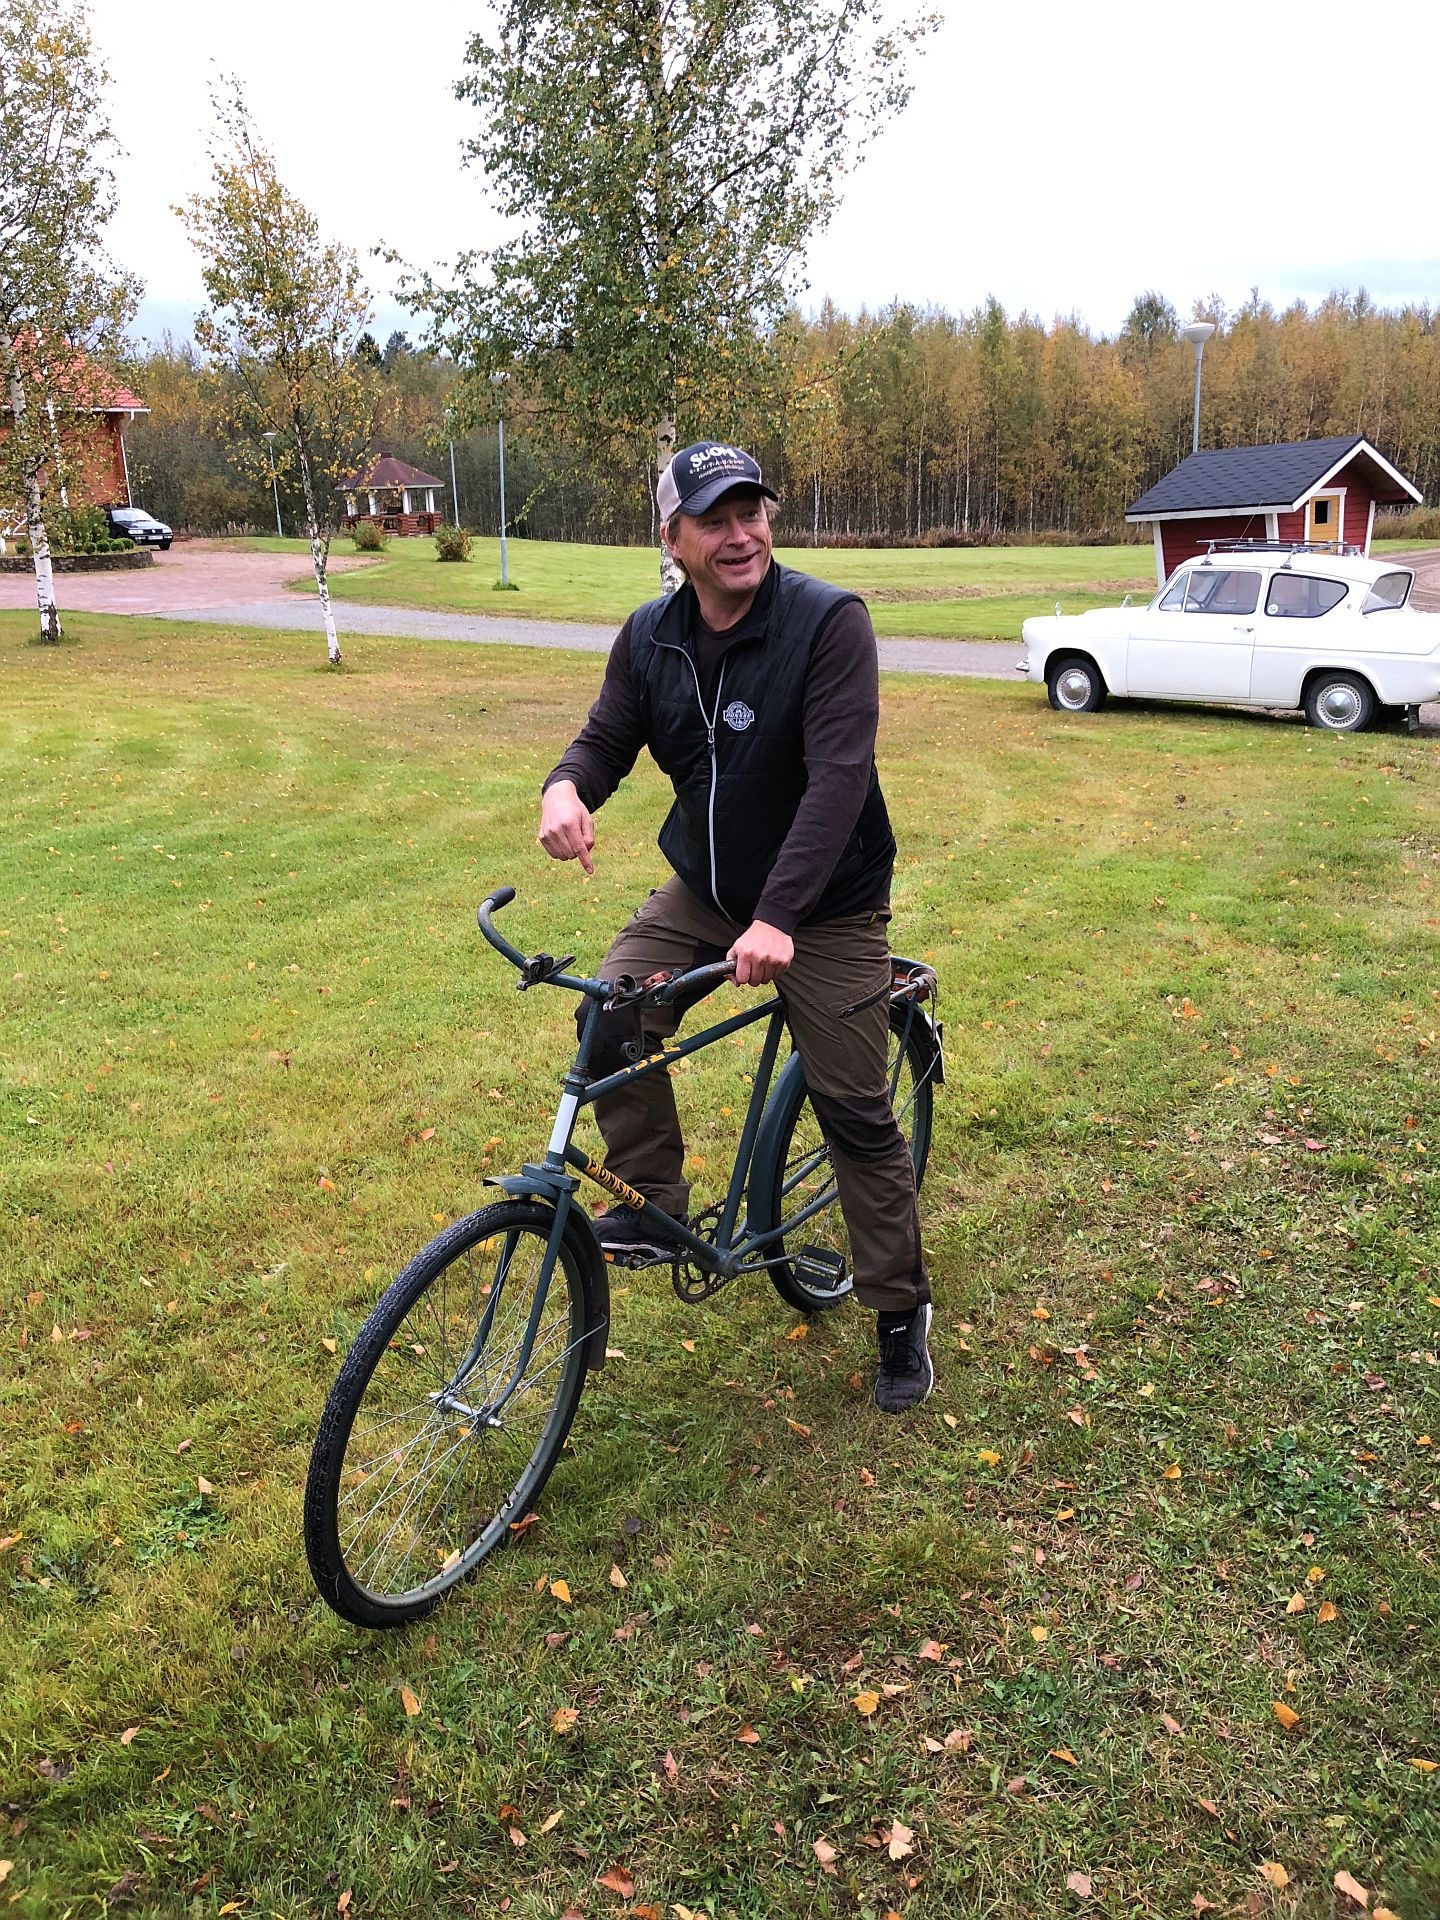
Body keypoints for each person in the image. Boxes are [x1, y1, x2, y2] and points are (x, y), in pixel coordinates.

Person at [538, 441, 934, 1414]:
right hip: (708, 888)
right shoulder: (651, 635)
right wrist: (565, 787)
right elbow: (609, 734)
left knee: (854, 1112)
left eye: (750, 512)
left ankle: (899, 1311)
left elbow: (838, 782)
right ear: (671, 538)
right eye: (713, 519)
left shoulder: (828, 623)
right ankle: (653, 1202)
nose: (740, 534)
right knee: (610, 1014)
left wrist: (780, 917)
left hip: (826, 904)